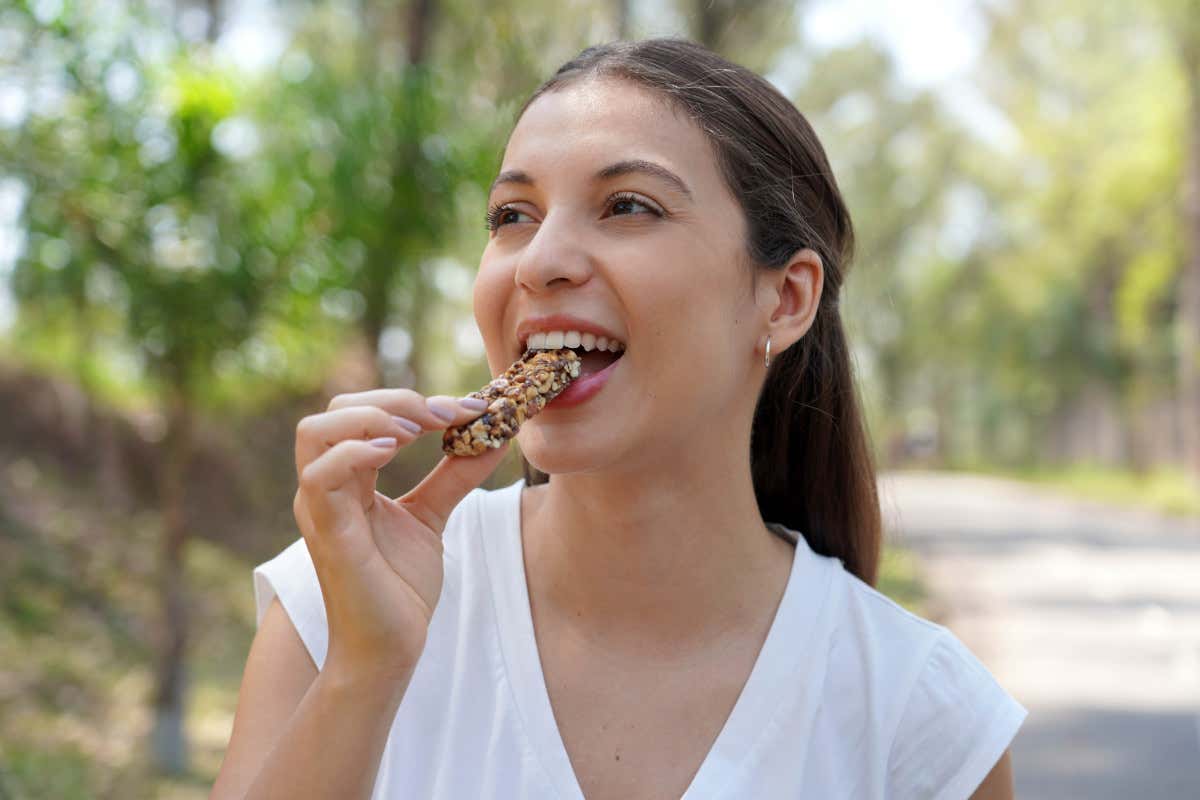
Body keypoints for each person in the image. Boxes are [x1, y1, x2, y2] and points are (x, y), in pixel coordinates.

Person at [212, 37, 1026, 800]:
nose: (539, 262)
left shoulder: (923, 721)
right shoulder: (339, 604)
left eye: (628, 206)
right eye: (511, 216)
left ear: (784, 298)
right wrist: (366, 670)